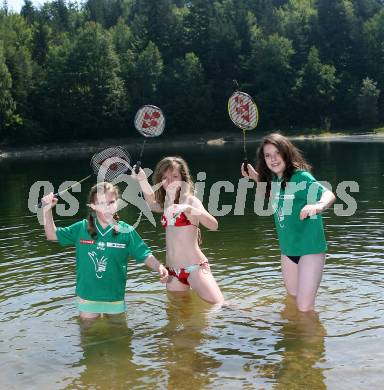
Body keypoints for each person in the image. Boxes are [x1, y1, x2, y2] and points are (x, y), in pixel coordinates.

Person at [40, 181, 168, 320]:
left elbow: (144, 254)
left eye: (111, 202)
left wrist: (159, 267)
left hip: (114, 298)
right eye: (102, 203)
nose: (108, 208)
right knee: (88, 337)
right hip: (87, 298)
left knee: (119, 336)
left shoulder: (126, 231)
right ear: (93, 206)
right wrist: (46, 209)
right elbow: (52, 235)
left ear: (117, 203)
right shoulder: (81, 228)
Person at [241, 133, 336, 312]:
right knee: (292, 299)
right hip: (288, 251)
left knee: (304, 308)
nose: (273, 159)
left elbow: (328, 194)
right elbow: (272, 189)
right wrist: (254, 176)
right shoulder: (275, 179)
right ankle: (295, 336)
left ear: (287, 153)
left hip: (310, 249)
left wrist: (318, 205)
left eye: (277, 153)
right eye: (268, 155)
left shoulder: (300, 177)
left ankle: (313, 338)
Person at [132, 156, 224, 305]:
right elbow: (151, 202)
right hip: (173, 273)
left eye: (175, 176)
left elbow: (214, 225)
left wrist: (189, 209)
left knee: (219, 306)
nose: (170, 182)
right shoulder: (166, 203)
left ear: (183, 178)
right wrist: (142, 179)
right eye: (165, 178)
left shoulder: (190, 201)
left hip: (195, 269)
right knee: (177, 319)